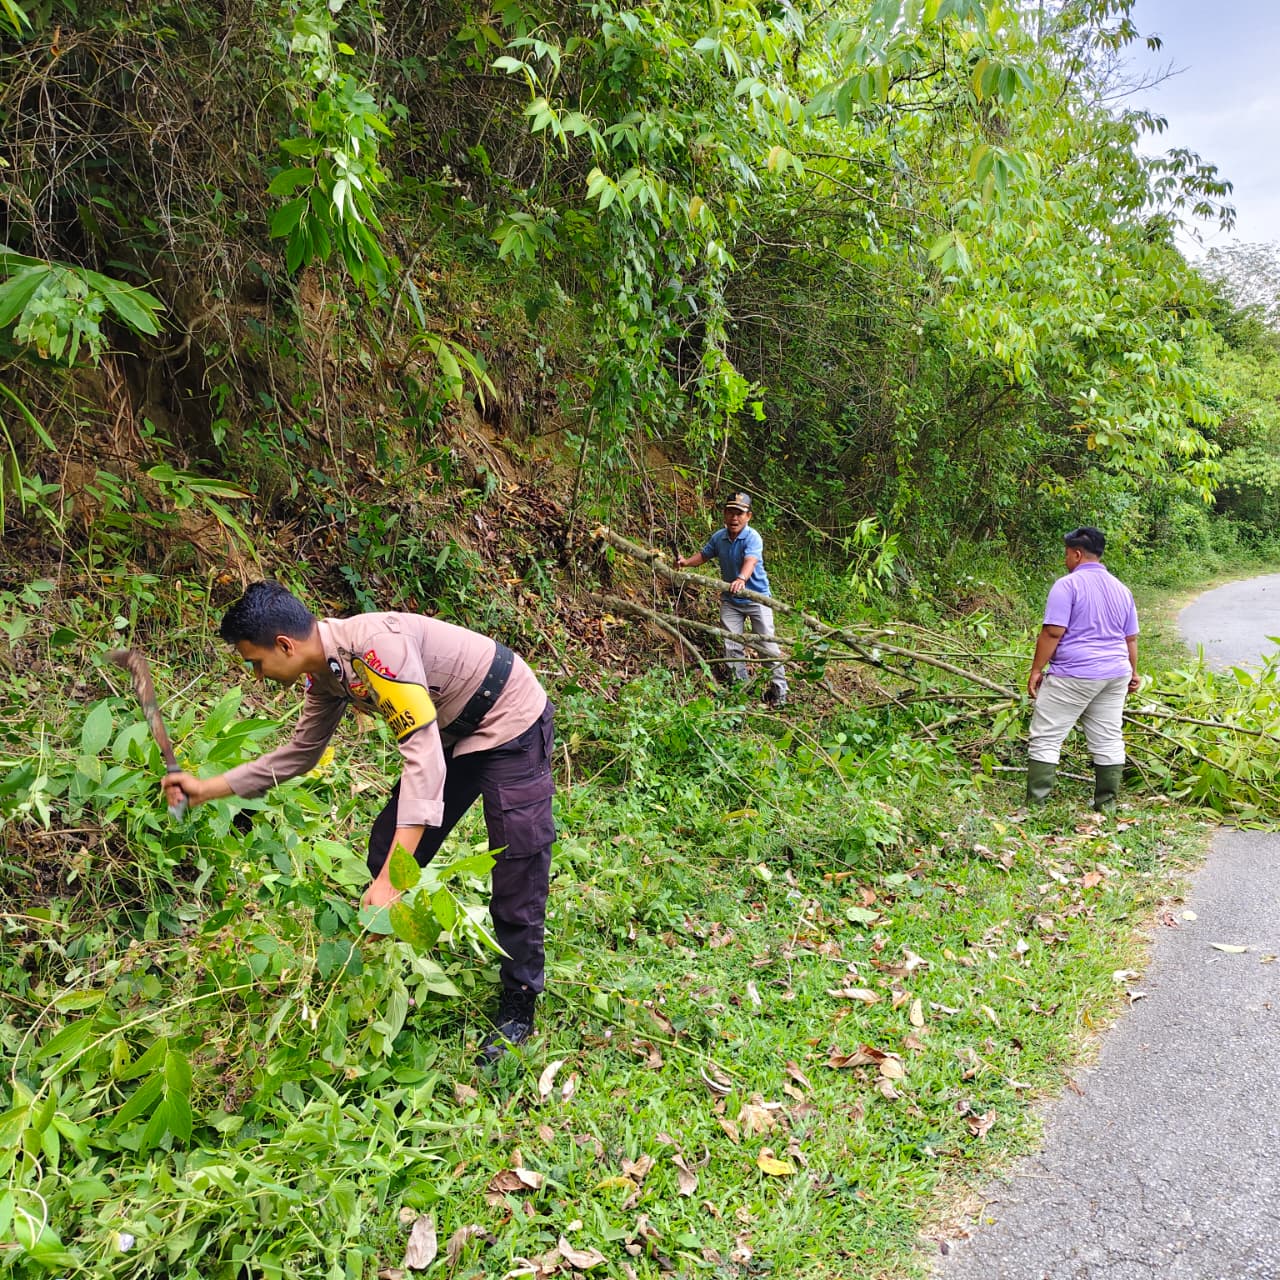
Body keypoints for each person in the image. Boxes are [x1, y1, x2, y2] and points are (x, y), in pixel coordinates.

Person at [162, 581, 555, 1064]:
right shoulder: (325, 674)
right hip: (452, 729)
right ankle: (386, 954)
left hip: (509, 719)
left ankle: (519, 1003)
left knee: (517, 864)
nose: (258, 676)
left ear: (284, 645)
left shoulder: (376, 650)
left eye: (256, 663)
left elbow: (424, 762)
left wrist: (392, 881)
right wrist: (208, 789)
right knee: (388, 845)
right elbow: (301, 753)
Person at [1025, 527, 1140, 811]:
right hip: (1116, 673)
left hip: (1075, 673)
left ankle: (1036, 805)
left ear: (1077, 554)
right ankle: (1107, 805)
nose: (1065, 560)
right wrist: (1134, 673)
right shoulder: (1122, 589)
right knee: (1108, 737)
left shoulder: (1067, 585)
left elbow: (1053, 632)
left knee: (1046, 736)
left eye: (1066, 554)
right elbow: (1131, 639)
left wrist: (1036, 669)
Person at [677, 491, 788, 707]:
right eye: (730, 512)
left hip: (757, 599)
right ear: (724, 514)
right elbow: (705, 555)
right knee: (732, 645)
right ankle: (740, 689)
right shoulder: (719, 537)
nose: (734, 518)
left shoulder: (753, 537)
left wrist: (741, 578)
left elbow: (751, 560)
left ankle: (779, 692)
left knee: (767, 646)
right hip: (731, 600)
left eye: (739, 513)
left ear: (748, 516)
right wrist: (686, 563)